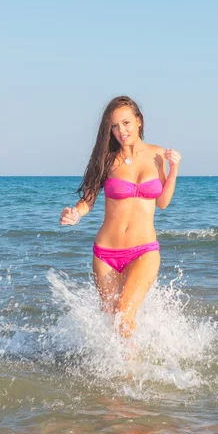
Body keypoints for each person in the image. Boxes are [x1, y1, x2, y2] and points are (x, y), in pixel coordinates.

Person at [60, 95, 181, 339]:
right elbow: (89, 200)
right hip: (105, 253)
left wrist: (174, 169)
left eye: (125, 123)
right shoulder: (106, 159)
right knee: (111, 322)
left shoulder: (157, 155)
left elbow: (163, 203)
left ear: (139, 121)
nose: (120, 131)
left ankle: (131, 376)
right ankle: (114, 373)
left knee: (124, 315)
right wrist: (75, 213)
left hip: (144, 251)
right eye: (114, 126)